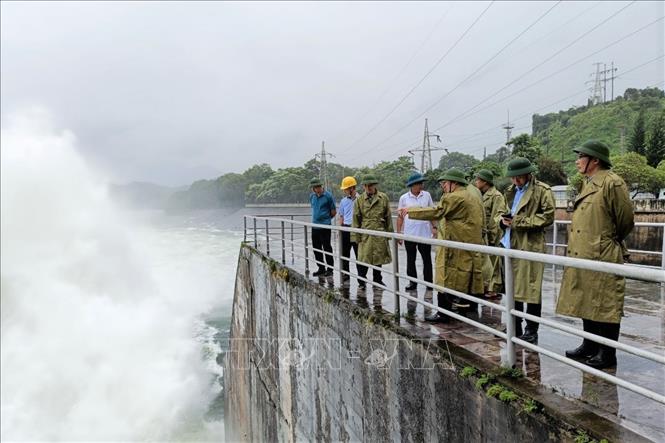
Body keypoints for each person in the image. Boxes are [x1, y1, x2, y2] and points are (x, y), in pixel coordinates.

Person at [556, 140, 634, 369]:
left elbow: (625, 220)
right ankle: (589, 345)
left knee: (606, 304)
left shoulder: (612, 183)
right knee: (586, 300)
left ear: (595, 160)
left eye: (581, 156)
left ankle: (607, 353)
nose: (577, 161)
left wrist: (607, 240)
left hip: (602, 252)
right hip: (585, 253)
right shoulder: (588, 183)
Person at [400, 168, 484, 323]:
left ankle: (444, 313)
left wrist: (410, 211)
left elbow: (437, 211)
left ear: (454, 183)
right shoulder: (472, 195)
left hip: (455, 243)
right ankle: (461, 311)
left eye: (445, 183)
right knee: (462, 277)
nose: (443, 186)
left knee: (445, 276)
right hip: (465, 242)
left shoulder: (455, 197)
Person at [499, 158, 555, 344]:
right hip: (510, 243)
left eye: (518, 178)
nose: (515, 181)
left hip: (530, 244)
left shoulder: (542, 190)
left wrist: (519, 222)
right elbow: (503, 213)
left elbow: (548, 217)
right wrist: (502, 221)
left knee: (531, 288)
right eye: (513, 178)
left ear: (528, 174)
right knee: (512, 287)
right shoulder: (511, 191)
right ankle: (515, 325)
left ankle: (532, 330)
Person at [351, 175, 392, 288]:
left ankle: (377, 280)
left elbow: (388, 216)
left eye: (370, 185)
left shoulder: (383, 198)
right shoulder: (359, 200)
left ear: (375, 185)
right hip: (365, 233)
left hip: (379, 231)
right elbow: (356, 219)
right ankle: (362, 281)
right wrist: (356, 237)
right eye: (366, 185)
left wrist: (389, 234)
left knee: (378, 258)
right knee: (364, 258)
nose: (368, 187)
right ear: (363, 186)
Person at [397, 172, 435, 291]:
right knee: (410, 259)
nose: (421, 185)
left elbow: (431, 212)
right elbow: (400, 217)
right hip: (410, 234)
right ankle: (412, 282)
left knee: (427, 259)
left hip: (424, 234)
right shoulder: (404, 198)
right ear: (412, 185)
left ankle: (429, 283)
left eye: (421, 183)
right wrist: (399, 233)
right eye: (419, 183)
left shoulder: (427, 195)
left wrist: (435, 227)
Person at [474, 169, 507, 297]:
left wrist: (493, 237)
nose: (476, 182)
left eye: (478, 180)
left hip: (491, 235)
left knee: (493, 264)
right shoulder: (481, 195)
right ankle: (486, 286)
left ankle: (493, 289)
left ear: (485, 182)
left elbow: (496, 217)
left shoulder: (496, 196)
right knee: (484, 264)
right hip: (482, 235)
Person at [338, 176, 367, 282]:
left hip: (357, 229)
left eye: (346, 189)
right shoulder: (343, 201)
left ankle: (361, 278)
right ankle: (345, 275)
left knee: (359, 254)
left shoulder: (362, 199)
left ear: (351, 188)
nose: (345, 191)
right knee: (345, 253)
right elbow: (341, 216)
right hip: (346, 229)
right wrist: (340, 230)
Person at [309, 177, 336, 277]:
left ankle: (330, 269)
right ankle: (321, 268)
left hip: (325, 226)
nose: (317, 188)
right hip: (315, 226)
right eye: (315, 187)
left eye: (319, 186)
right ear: (313, 188)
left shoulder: (328, 196)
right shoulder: (312, 196)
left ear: (321, 186)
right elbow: (314, 208)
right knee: (316, 248)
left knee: (327, 247)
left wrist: (325, 219)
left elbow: (333, 212)